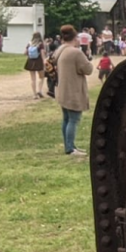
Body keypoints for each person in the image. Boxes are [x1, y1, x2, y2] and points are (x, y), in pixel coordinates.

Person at [54, 24, 94, 156]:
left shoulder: (60, 50)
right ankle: (70, 148)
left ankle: (69, 146)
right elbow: (88, 69)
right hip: (73, 90)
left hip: (63, 89)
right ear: (75, 38)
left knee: (66, 119)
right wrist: (87, 56)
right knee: (73, 119)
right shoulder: (76, 52)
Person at [23, 32, 45, 98]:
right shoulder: (40, 44)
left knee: (33, 79)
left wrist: (30, 54)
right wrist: (44, 62)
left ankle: (34, 94)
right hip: (38, 61)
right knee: (41, 77)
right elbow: (42, 54)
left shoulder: (29, 44)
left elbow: (25, 53)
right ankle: (40, 91)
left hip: (30, 61)